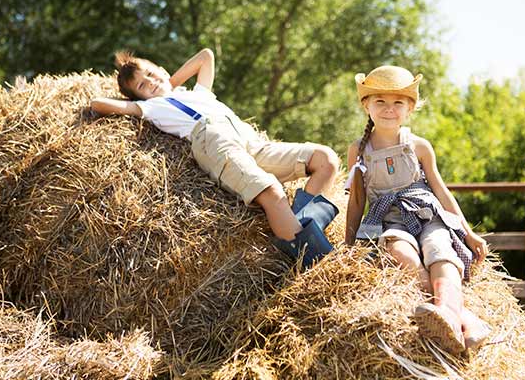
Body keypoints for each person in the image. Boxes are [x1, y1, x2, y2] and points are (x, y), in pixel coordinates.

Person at [90, 48, 340, 268]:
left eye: (152, 74)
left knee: (325, 159)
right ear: (139, 98)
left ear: (163, 70)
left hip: (249, 139)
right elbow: (98, 103)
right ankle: (316, 261)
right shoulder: (152, 107)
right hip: (212, 138)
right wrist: (150, 96)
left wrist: (168, 82)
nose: (150, 82)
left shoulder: (198, 92)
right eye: (143, 86)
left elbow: (206, 56)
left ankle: (302, 230)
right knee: (272, 192)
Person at [344, 65, 491, 355]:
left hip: (428, 213)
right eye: (380, 102)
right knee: (400, 253)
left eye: (398, 102)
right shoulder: (358, 150)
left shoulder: (419, 146)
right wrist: (348, 245)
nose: (389, 109)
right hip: (389, 218)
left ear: (410, 107)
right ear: (366, 106)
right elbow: (357, 200)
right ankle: (461, 318)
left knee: (440, 252)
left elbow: (440, 190)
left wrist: (468, 233)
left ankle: (450, 313)